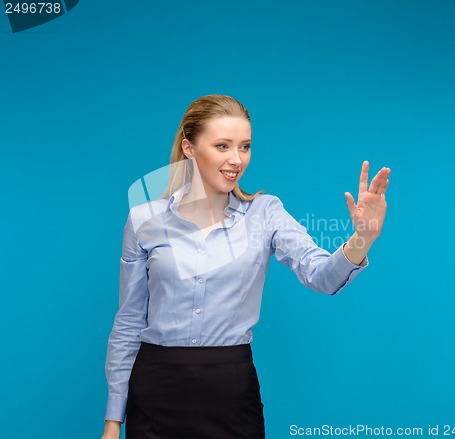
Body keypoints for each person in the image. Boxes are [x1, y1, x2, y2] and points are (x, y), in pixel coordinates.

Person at [101, 94, 390, 439]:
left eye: (245, 146)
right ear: (189, 148)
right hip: (154, 389)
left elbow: (321, 277)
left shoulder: (265, 213)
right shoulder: (143, 219)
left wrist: (363, 239)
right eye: (222, 146)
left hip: (230, 389)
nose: (236, 159)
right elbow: (130, 320)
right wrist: (113, 421)